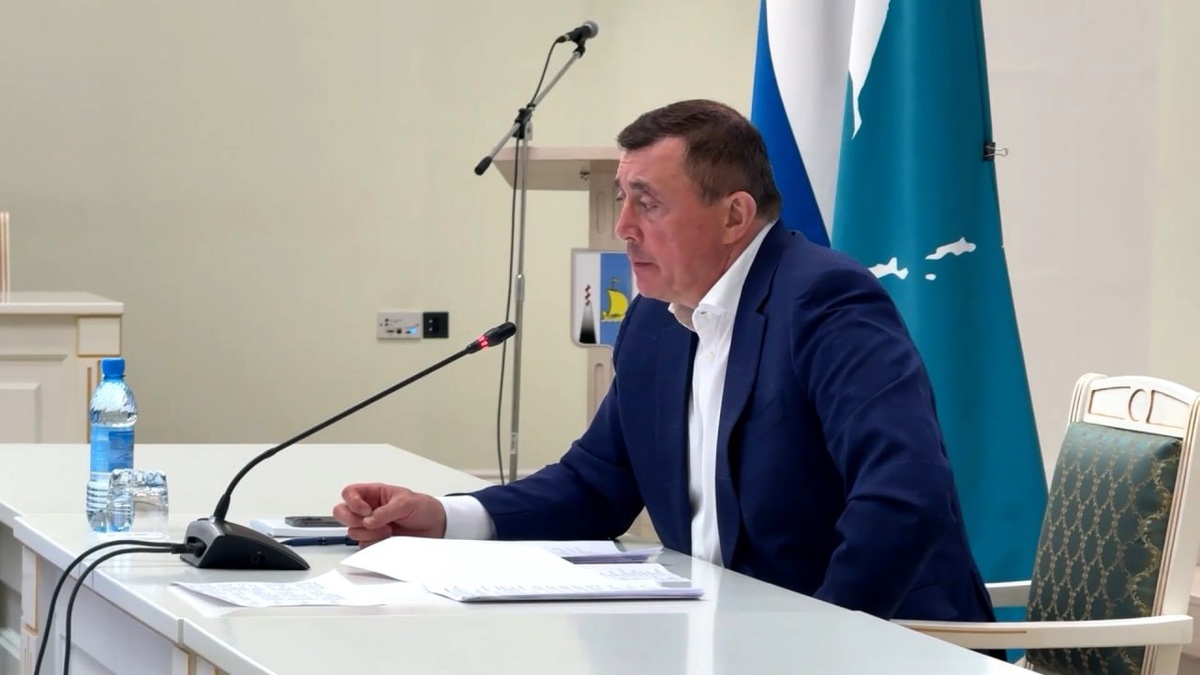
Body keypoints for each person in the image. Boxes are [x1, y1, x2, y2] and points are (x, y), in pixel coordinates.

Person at [334, 98, 998, 626]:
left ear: (734, 215)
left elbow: (903, 496)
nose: (624, 225)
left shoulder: (826, 301)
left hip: (881, 635)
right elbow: (594, 486)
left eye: (647, 202)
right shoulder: (655, 318)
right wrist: (442, 516)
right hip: (724, 631)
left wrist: (818, 640)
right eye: (621, 197)